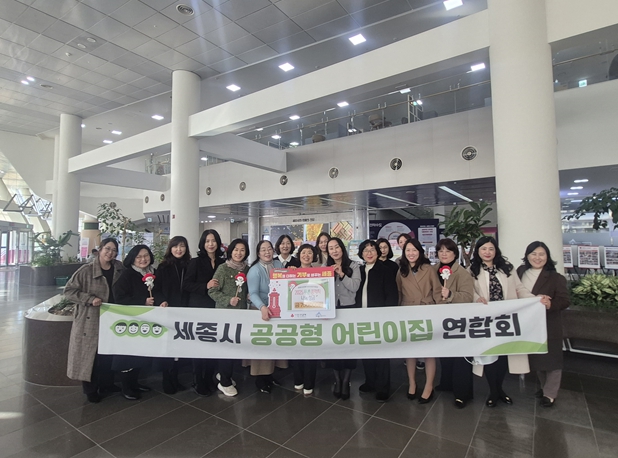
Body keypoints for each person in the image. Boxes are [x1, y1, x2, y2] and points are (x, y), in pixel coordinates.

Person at [470, 236, 538, 408]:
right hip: (485, 320)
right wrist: (477, 298)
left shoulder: (507, 268)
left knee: (503, 355)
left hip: (506, 319)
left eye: (491, 249)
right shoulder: (472, 269)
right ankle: (493, 391)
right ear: (478, 251)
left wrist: (535, 299)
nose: (487, 252)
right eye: (483, 249)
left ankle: (499, 389)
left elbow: (519, 288)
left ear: (496, 250)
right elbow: (470, 291)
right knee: (489, 355)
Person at [65, 238, 124, 403]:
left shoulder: (119, 268)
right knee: (90, 355)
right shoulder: (86, 270)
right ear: (100, 249)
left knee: (108, 354)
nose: (110, 253)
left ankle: (107, 384)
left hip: (112, 318)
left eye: (114, 250)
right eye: (107, 249)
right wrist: (89, 299)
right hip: (90, 318)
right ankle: (90, 390)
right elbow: (69, 291)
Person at [517, 241, 569, 408]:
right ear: (527, 256)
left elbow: (564, 300)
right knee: (538, 358)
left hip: (549, 324)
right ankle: (544, 387)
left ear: (547, 257)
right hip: (528, 324)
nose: (537, 258)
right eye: (533, 254)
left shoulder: (556, 278)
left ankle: (550, 394)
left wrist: (550, 304)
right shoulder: (520, 272)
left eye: (541, 254)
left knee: (552, 360)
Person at [396, 238, 442, 404]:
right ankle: (412, 383)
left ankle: (429, 386)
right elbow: (398, 293)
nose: (411, 253)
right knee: (410, 352)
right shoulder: (401, 270)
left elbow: (437, 291)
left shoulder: (428, 269)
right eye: (408, 250)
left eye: (414, 250)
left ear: (420, 252)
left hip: (426, 311)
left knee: (429, 352)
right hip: (408, 312)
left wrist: (442, 310)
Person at [432, 238, 475, 408]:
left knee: (460, 357)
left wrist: (450, 295)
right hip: (439, 318)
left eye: (448, 251)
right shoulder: (433, 270)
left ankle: (462, 393)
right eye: (441, 251)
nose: (444, 254)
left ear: (455, 254)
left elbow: (468, 296)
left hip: (458, 320)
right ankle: (446, 383)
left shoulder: (462, 272)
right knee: (445, 354)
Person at [112, 244, 158, 400]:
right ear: (132, 259)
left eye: (146, 256)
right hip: (130, 321)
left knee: (140, 353)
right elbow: (119, 297)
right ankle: (126, 387)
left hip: (146, 321)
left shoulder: (153, 273)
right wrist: (142, 301)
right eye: (139, 257)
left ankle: (135, 383)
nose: (143, 259)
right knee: (128, 356)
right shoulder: (127, 275)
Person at [355, 240, 398, 402]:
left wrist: (387, 315)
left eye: (372, 249)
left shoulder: (385, 270)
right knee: (366, 351)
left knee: (381, 353)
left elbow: (392, 295)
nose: (369, 253)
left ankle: (383, 387)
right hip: (362, 317)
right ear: (361, 254)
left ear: (378, 252)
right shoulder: (359, 270)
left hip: (380, 317)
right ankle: (370, 382)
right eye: (365, 250)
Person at [184, 229, 225, 396]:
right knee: (199, 345)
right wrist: (205, 286)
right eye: (207, 241)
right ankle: (198, 380)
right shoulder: (195, 262)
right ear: (203, 243)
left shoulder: (223, 262)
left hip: (217, 308)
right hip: (199, 308)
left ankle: (209, 377)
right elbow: (186, 285)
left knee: (214, 345)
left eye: (213, 240)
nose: (211, 244)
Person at [208, 239, 250, 397]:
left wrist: (248, 296)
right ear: (230, 251)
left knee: (235, 347)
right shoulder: (223, 269)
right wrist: (228, 300)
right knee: (226, 347)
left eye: (242, 250)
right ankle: (224, 382)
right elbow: (212, 291)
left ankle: (224, 374)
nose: (239, 253)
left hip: (241, 314)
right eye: (236, 250)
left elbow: (247, 289)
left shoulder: (247, 269)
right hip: (224, 314)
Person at [246, 240, 288, 393]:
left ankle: (269, 375)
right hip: (260, 311)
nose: (267, 252)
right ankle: (260, 379)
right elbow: (253, 293)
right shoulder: (254, 270)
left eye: (269, 249)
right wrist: (262, 307)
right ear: (258, 253)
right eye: (263, 250)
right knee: (262, 345)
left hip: (277, 311)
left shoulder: (278, 265)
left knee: (273, 345)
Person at [152, 236, 191, 394]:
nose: (179, 249)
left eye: (182, 246)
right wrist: (162, 301)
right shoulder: (163, 267)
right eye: (175, 246)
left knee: (179, 347)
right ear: (170, 248)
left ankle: (175, 378)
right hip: (168, 311)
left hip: (184, 312)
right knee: (167, 346)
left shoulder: (189, 265)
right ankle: (166, 380)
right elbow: (156, 289)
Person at [327, 237, 361, 400]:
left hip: (349, 309)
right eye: (331, 248)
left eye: (337, 247)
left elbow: (355, 287)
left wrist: (341, 274)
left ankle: (346, 381)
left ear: (342, 248)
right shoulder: (324, 267)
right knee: (334, 347)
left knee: (349, 346)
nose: (334, 250)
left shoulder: (354, 266)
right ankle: (337, 380)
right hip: (331, 310)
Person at [291, 243, 320, 395]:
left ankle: (309, 382)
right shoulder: (292, 272)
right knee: (296, 347)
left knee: (310, 349)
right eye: (303, 252)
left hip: (313, 315)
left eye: (309, 253)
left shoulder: (320, 273)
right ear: (299, 255)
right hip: (296, 316)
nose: (306, 255)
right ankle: (298, 379)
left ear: (314, 256)